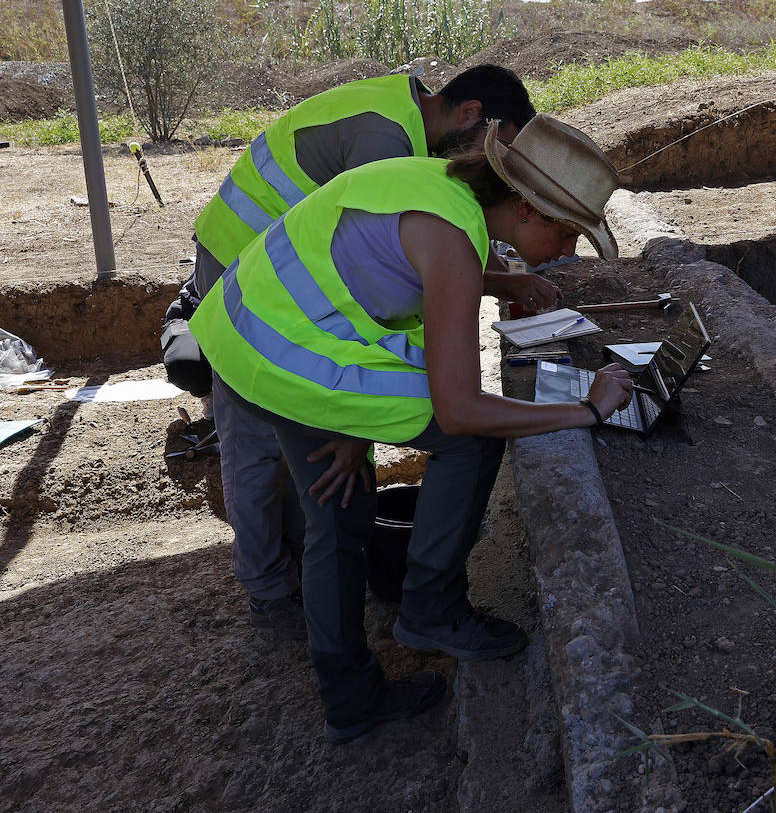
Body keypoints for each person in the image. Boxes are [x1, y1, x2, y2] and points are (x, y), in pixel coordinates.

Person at [188, 114, 634, 743]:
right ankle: (432, 607)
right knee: (471, 438)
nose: (570, 252)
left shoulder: (436, 185)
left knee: (338, 515)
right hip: (285, 355)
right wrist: (586, 410)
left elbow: (390, 281)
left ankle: (351, 696)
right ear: (529, 211)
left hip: (252, 337)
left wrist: (347, 422)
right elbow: (458, 411)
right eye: (568, 235)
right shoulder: (454, 235)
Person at [164, 65, 560, 642]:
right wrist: (353, 424)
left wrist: (502, 282)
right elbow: (386, 291)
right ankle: (271, 591)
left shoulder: (403, 122)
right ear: (472, 116)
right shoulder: (386, 143)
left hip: (283, 276)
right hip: (246, 269)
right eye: (495, 148)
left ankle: (318, 579)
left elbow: (396, 285)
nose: (494, 167)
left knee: (328, 486)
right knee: (251, 440)